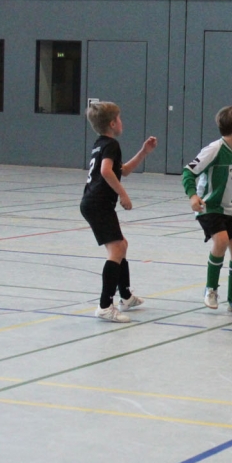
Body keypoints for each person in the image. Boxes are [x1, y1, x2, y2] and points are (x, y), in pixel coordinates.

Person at [80, 101, 157, 322]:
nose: (122, 122)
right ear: (113, 124)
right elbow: (106, 171)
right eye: (120, 118)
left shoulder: (101, 144)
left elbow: (122, 170)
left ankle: (125, 296)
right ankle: (105, 306)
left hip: (93, 203)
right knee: (117, 250)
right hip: (98, 204)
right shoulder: (111, 144)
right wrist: (123, 194)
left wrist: (143, 152)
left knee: (122, 245)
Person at [183, 106, 232, 315]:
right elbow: (188, 172)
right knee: (221, 240)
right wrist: (192, 196)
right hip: (209, 206)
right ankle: (211, 289)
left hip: (229, 208)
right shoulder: (214, 149)